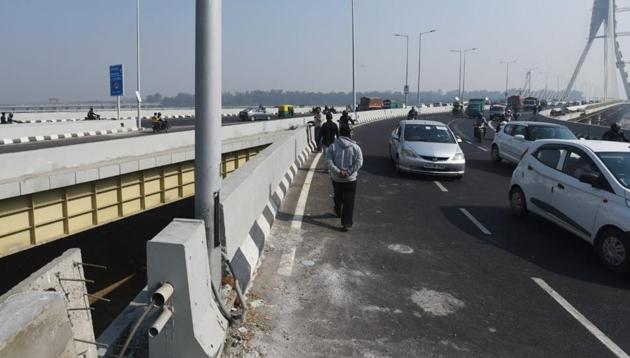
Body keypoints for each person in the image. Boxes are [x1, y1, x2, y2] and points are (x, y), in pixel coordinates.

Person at [326, 126, 363, 231]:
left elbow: (328, 162)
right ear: (349, 134)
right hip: (350, 179)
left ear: (339, 133)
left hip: (337, 179)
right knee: (349, 201)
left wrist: (338, 172)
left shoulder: (332, 146)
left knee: (338, 197)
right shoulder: (356, 147)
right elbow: (359, 162)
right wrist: (349, 172)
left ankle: (338, 210)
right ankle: (346, 223)